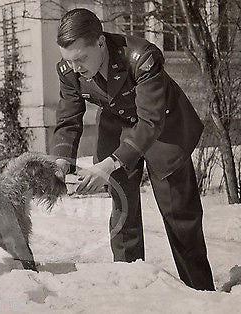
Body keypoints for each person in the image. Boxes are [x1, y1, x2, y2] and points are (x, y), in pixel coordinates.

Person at [53, 8, 215, 291]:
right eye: (69, 60)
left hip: (164, 128)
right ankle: (132, 292)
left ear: (101, 42)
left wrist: (108, 165)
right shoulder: (70, 69)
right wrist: (60, 162)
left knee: (180, 218)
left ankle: (201, 291)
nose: (76, 67)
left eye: (81, 58)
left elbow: (150, 122)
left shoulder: (142, 57)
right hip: (117, 125)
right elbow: (68, 119)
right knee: (122, 215)